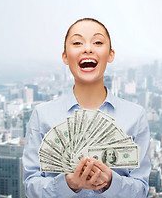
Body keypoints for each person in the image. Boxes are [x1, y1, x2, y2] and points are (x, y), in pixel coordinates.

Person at [22, 18, 151, 197]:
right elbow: (31, 186)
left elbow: (141, 189)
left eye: (98, 42)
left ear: (111, 54)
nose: (88, 48)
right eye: (77, 43)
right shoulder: (42, 115)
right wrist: (68, 185)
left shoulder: (135, 116)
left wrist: (111, 183)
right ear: (65, 56)